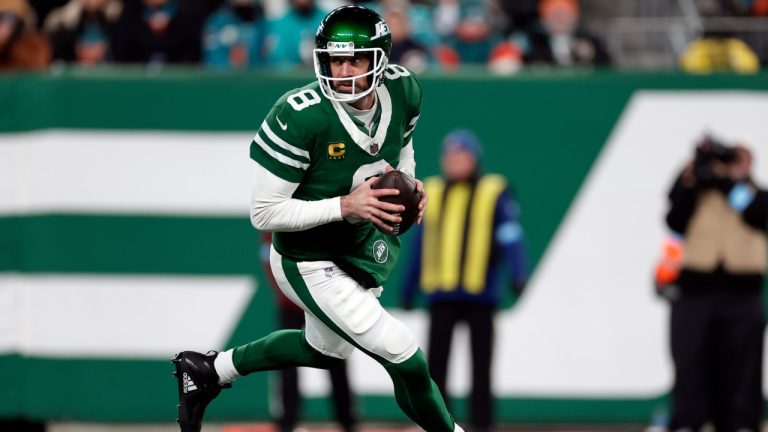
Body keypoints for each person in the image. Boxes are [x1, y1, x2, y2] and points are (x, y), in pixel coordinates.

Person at [171, 6, 465, 432]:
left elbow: (402, 148)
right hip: (307, 258)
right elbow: (264, 213)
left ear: (379, 60)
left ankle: (209, 371)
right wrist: (346, 205)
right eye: (334, 59)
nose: (342, 70)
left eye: (355, 59)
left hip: (357, 244)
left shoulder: (404, 88)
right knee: (404, 352)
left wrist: (409, 184)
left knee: (326, 351)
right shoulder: (300, 114)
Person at [401, 129, 528, 432]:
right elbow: (420, 246)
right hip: (441, 295)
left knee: (481, 369)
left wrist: (519, 273)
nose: (455, 162)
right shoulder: (431, 190)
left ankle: (482, 426)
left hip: (481, 296)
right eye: (450, 157)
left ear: (475, 159)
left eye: (462, 156)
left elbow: (510, 235)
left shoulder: (493, 190)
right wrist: (408, 287)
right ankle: (441, 426)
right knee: (437, 370)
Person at [664, 136, 768, 432]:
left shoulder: (754, 195)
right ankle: (688, 422)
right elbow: (674, 217)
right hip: (696, 291)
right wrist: (693, 173)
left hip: (742, 292)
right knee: (691, 362)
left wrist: (726, 180)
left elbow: (756, 214)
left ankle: (741, 424)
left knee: (742, 365)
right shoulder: (697, 193)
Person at [260, 231, 358, 432]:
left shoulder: (324, 204)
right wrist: (285, 290)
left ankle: (347, 422)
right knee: (287, 360)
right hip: (291, 300)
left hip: (323, 298)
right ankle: (288, 423)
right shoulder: (282, 207)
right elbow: (266, 251)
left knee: (336, 357)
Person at [523, 0, 611, 67]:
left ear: (575, 17)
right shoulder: (534, 43)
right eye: (554, 14)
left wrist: (591, 54)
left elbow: (608, 64)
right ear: (544, 20)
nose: (560, 19)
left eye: (565, 14)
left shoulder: (589, 40)